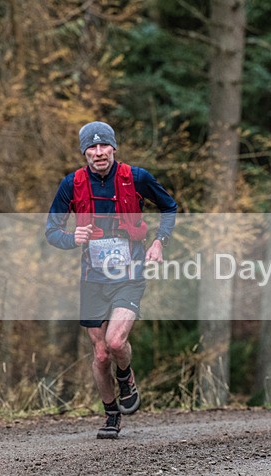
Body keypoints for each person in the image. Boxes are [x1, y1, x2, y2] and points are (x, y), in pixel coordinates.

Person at [46, 121, 177, 439]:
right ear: (84, 152)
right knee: (100, 352)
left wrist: (160, 241)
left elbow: (170, 207)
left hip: (129, 274)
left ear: (114, 148)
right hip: (92, 277)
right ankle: (111, 414)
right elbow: (51, 231)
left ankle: (126, 375)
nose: (99, 152)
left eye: (104, 145)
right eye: (92, 147)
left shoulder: (137, 178)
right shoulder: (72, 183)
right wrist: (70, 237)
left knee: (116, 342)